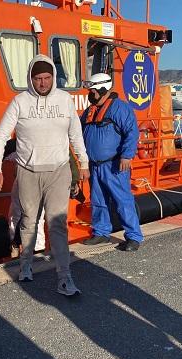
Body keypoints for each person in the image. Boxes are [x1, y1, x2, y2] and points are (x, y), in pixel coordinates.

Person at [0, 54, 89, 296]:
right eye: (37, 78)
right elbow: (1, 135)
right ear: (30, 79)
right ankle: (25, 266)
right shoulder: (19, 102)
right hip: (28, 171)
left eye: (47, 78)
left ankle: (65, 278)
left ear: (53, 77)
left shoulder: (65, 101)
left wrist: (83, 163)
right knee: (28, 221)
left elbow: (76, 134)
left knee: (57, 224)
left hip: (58, 171)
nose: (42, 83)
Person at [80, 73, 144, 251]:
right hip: (95, 165)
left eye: (92, 90)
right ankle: (101, 232)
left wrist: (126, 155)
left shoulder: (119, 108)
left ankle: (133, 236)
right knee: (98, 200)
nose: (90, 93)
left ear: (102, 89)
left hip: (114, 165)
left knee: (123, 200)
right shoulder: (90, 111)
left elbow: (132, 132)